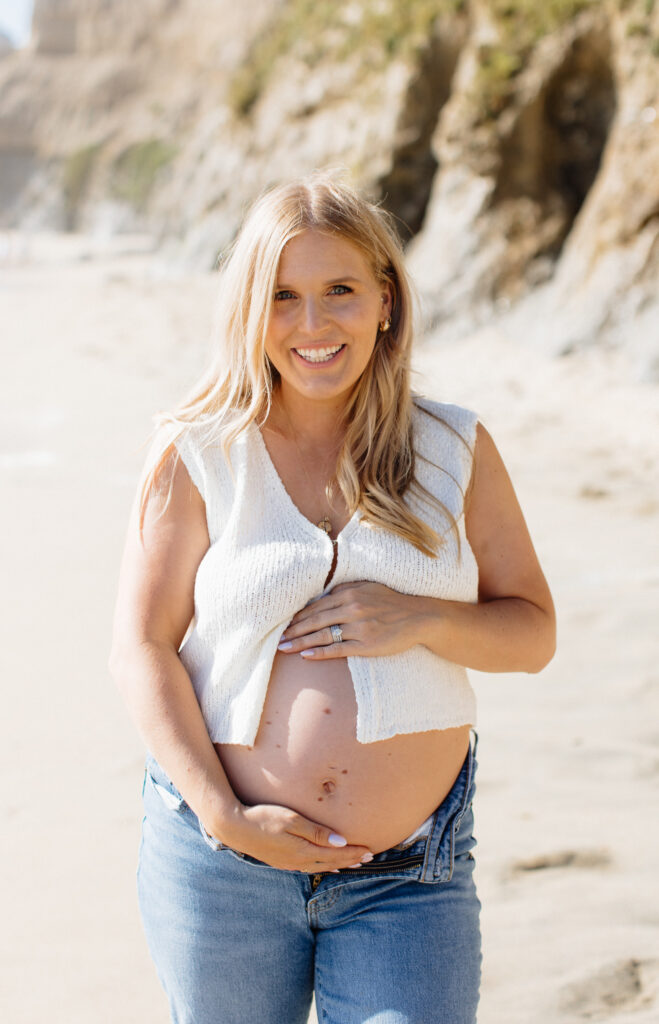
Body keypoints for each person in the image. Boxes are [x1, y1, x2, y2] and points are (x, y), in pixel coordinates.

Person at [109, 172, 556, 1024]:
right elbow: (141, 647)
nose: (312, 326)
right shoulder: (198, 449)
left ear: (384, 301)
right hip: (221, 864)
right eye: (282, 296)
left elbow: (532, 635)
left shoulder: (453, 447)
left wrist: (420, 617)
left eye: (339, 291)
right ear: (249, 309)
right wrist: (223, 814)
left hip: (409, 873)